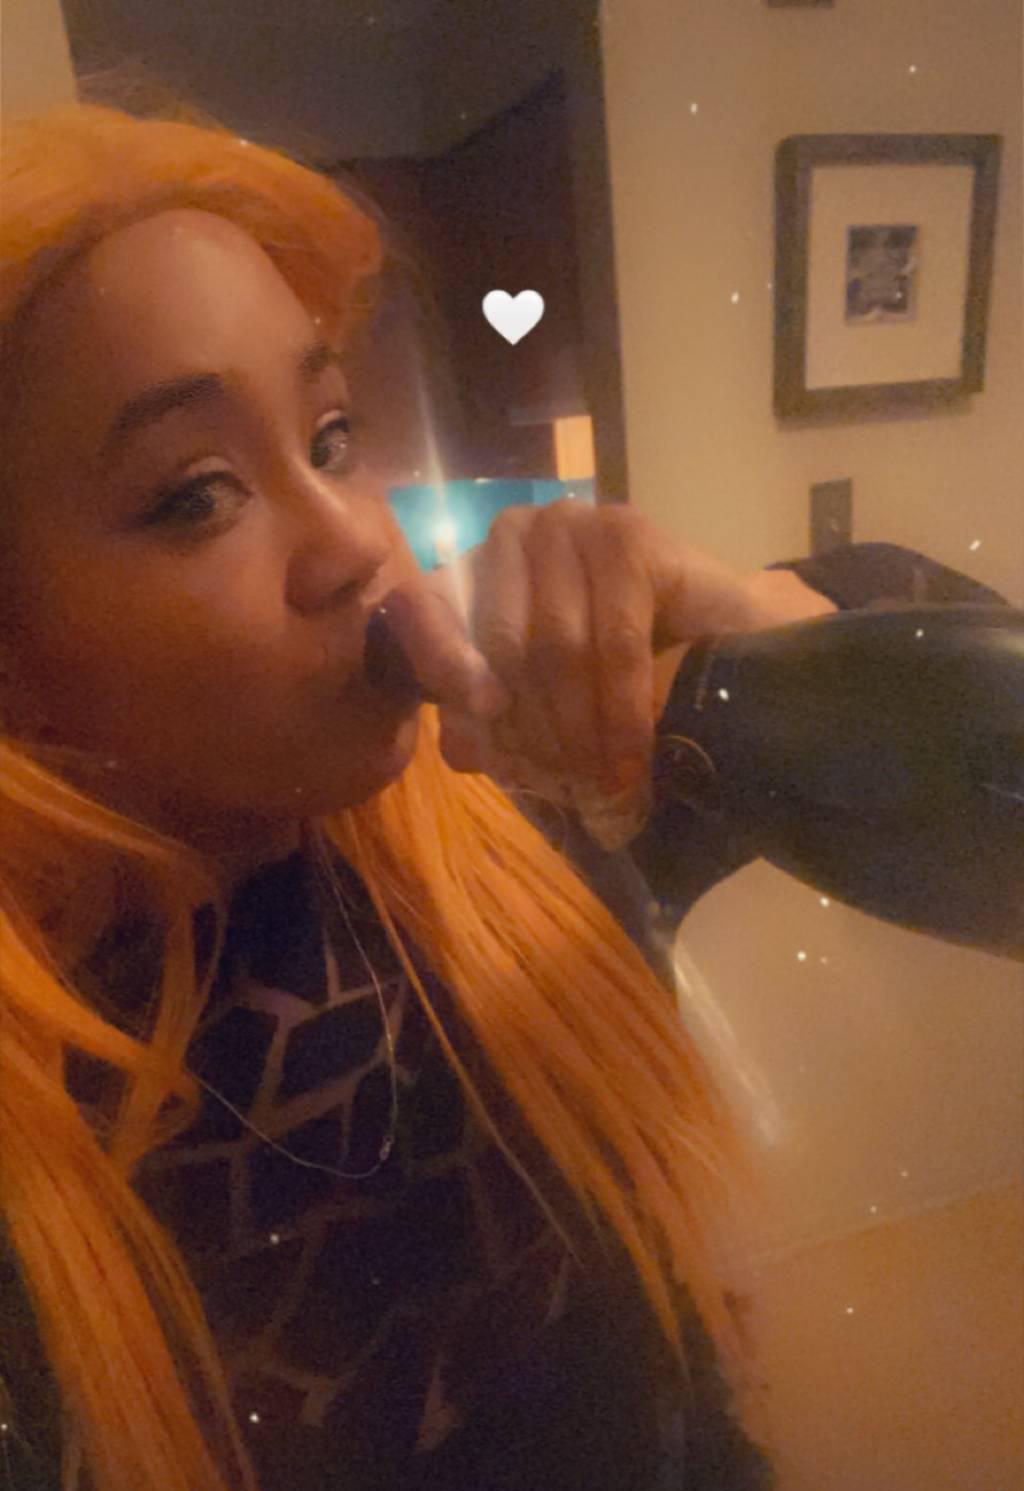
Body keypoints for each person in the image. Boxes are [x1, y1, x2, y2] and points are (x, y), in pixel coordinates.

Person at [0, 95, 1008, 1491]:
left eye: (332, 437)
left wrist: (764, 644)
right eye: (198, 494)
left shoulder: (532, 816)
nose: (357, 542)